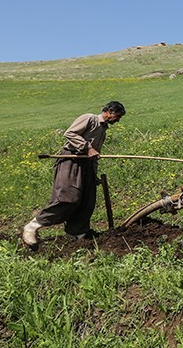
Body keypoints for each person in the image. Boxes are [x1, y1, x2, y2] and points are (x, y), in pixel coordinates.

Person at [21, 101, 126, 251]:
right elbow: (69, 133)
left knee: (87, 200)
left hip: (86, 166)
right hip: (72, 160)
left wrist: (93, 174)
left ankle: (79, 233)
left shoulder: (103, 130)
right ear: (109, 111)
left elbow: (94, 155)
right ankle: (33, 226)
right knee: (68, 198)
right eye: (117, 116)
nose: (117, 120)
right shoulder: (90, 119)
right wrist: (87, 147)